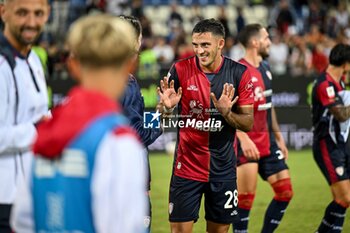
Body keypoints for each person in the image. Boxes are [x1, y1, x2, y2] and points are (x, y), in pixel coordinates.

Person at [10, 14, 147, 233]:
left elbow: (22, 222)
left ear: (72, 65)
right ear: (129, 65)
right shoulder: (118, 140)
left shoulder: (44, 131)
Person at [158, 18, 254, 233]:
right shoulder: (180, 70)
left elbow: (248, 123)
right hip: (186, 170)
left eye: (205, 45)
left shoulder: (239, 73)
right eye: (195, 45)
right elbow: (160, 120)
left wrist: (227, 113)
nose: (199, 51)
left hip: (223, 171)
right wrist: (166, 109)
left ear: (221, 44)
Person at [234, 24, 293, 233]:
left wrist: (278, 137)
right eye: (266, 38)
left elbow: (269, 106)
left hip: (267, 142)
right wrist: (243, 138)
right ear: (254, 42)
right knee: (245, 201)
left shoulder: (266, 69)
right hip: (246, 144)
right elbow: (226, 112)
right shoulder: (237, 71)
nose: (270, 42)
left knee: (285, 192)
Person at [0, 0, 50, 232]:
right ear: (3, 11)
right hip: (4, 203)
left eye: (38, 13)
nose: (31, 22)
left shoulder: (34, 59)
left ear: (47, 14)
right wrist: (40, 130)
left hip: (31, 198)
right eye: (22, 13)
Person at [119, 15, 163, 233]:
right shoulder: (125, 82)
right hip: (129, 178)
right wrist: (162, 115)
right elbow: (139, 135)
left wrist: (159, 111)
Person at [312, 43, 350, 233]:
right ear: (346, 64)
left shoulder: (340, 83)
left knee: (343, 200)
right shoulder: (324, 84)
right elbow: (341, 115)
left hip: (341, 144)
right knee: (344, 198)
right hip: (327, 144)